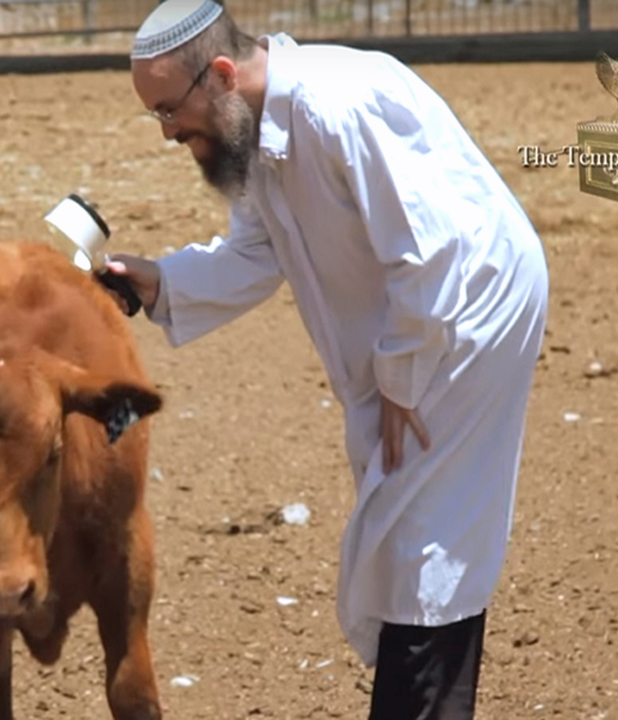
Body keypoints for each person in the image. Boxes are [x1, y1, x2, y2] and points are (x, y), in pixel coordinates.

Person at [98, 1, 551, 718]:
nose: (167, 135)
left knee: (423, 542)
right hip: (416, 324)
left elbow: (428, 253)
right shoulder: (259, 131)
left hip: (468, 314)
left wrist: (401, 379)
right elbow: (258, 249)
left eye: (167, 111)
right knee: (411, 536)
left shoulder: (338, 107)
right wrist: (161, 280)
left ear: (219, 75)